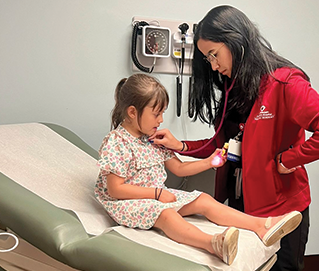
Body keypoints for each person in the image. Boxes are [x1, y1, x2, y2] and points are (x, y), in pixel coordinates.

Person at [150, 5, 319, 271]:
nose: (213, 65)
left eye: (214, 55)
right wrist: (182, 146)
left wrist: (289, 159)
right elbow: (225, 145)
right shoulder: (233, 86)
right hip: (240, 205)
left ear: (236, 41)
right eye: (207, 58)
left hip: (282, 209)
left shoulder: (285, 83)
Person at [94, 73, 302, 266]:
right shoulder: (116, 142)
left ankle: (262, 226)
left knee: (202, 199)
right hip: (127, 204)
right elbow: (116, 190)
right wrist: (157, 193)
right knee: (167, 215)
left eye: (162, 113)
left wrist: (210, 162)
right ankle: (213, 244)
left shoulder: (151, 140)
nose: (161, 120)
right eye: (156, 114)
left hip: (156, 198)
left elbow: (179, 168)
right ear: (132, 112)